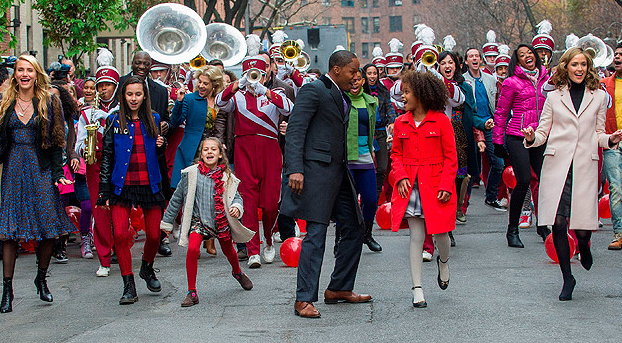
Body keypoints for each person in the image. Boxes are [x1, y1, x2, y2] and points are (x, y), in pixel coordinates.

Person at [522, 47, 621, 300]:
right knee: (558, 222)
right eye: (574, 64)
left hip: (585, 165)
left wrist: (611, 139)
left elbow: (599, 133)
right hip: (558, 164)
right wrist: (532, 137)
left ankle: (585, 244)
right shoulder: (554, 97)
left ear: (588, 68)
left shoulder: (598, 96)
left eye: (583, 65)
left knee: (583, 226)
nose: (579, 69)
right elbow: (543, 131)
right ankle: (568, 278)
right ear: (566, 67)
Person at [280, 50, 372, 318]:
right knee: (316, 235)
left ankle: (339, 288)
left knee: (355, 227)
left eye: (358, 72)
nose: (357, 76)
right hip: (315, 173)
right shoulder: (313, 90)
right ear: (336, 69)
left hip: (339, 173)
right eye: (353, 71)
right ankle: (303, 299)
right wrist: (294, 169)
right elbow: (296, 129)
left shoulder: (342, 94)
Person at [0, 55, 75, 313]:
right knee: (8, 231)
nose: (24, 74)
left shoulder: (48, 100)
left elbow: (56, 141)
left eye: (29, 70)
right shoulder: (5, 100)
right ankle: (7, 289)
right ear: (15, 74)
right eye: (20, 70)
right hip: (12, 168)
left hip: (40, 167)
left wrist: (58, 173)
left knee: (48, 228)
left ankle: (41, 279)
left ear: (36, 73)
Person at [216, 45, 293, 268]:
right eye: (250, 74)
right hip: (244, 149)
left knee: (270, 203)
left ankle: (269, 240)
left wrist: (264, 91)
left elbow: (288, 108)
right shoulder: (237, 96)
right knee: (247, 201)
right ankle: (253, 251)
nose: (254, 79)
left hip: (269, 149)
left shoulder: (276, 93)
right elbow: (221, 102)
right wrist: (237, 84)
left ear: (266, 73)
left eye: (258, 74)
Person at [97, 76, 167, 305]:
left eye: (138, 94)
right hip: (121, 184)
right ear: (123, 96)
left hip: (149, 183)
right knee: (119, 234)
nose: (133, 98)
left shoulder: (154, 119)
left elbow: (159, 156)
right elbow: (107, 155)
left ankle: (147, 267)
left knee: (155, 235)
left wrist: (162, 146)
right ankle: (128, 285)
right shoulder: (114, 119)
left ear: (144, 95)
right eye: (129, 94)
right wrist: (103, 192)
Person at [161, 138, 255, 307]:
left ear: (220, 155)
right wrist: (166, 224)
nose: (209, 152)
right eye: (206, 149)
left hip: (220, 221)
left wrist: (235, 207)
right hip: (199, 220)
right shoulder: (191, 174)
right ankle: (192, 291)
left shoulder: (227, 177)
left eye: (213, 149)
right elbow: (176, 200)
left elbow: (237, 197)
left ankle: (237, 272)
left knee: (229, 251)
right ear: (201, 154)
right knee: (192, 249)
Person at [390, 70, 457, 308]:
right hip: (412, 187)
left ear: (421, 94)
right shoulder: (400, 122)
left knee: (441, 234)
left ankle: (444, 260)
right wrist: (399, 177)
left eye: (407, 92)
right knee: (416, 236)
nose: (403, 96)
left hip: (437, 185)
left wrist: (447, 185)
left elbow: (451, 157)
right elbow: (396, 154)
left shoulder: (441, 121)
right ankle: (417, 288)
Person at [493, 44, 550, 247]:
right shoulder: (511, 82)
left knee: (545, 182)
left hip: (540, 136)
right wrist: (498, 141)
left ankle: (543, 227)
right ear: (517, 61)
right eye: (522, 55)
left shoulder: (547, 79)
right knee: (524, 180)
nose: (527, 56)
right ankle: (512, 230)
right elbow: (501, 112)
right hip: (517, 136)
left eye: (529, 53)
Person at [119, 51, 172, 257]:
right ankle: (120, 244)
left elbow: (165, 119)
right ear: (132, 63)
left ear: (151, 65)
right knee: (122, 201)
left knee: (157, 198)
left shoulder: (160, 90)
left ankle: (159, 239)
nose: (141, 66)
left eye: (145, 63)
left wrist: (165, 126)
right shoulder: (122, 84)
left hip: (151, 153)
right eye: (138, 62)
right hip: (126, 153)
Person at [170, 65, 225, 256]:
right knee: (194, 194)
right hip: (193, 150)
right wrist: (178, 102)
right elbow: (175, 121)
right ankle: (196, 235)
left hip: (215, 150)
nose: (201, 86)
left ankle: (210, 238)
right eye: (199, 82)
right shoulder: (191, 99)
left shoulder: (220, 100)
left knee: (214, 192)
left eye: (205, 83)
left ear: (214, 84)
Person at [75, 62, 119, 277]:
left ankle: (120, 248)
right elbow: (78, 143)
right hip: (96, 166)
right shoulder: (87, 114)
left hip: (120, 166)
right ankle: (104, 258)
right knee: (99, 210)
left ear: (116, 86)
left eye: (108, 85)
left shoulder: (123, 111)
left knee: (120, 211)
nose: (103, 89)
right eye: (100, 85)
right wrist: (85, 148)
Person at [338, 68, 381, 252]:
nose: (354, 83)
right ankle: (341, 239)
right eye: (352, 80)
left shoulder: (371, 101)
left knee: (371, 199)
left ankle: (366, 234)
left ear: (363, 81)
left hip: (365, 156)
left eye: (358, 80)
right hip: (346, 158)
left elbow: (373, 127)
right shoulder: (340, 101)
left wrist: (372, 149)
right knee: (347, 202)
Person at [463, 48, 503, 211]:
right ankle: (464, 203)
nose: (474, 58)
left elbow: (497, 101)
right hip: (469, 124)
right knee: (470, 167)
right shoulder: (463, 81)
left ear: (481, 60)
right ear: (466, 61)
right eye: (470, 56)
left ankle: (491, 196)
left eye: (477, 56)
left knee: (498, 163)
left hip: (489, 124)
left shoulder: (490, 80)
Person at [362, 63, 395, 202]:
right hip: (366, 132)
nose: (372, 76)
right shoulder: (361, 92)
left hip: (381, 132)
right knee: (366, 166)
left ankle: (375, 197)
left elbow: (389, 107)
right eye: (369, 73)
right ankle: (364, 198)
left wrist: (392, 121)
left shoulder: (383, 90)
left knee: (382, 167)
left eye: (374, 73)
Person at [601, 42, 622, 250]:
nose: (618, 57)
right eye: (616, 54)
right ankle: (619, 233)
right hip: (612, 142)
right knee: (616, 188)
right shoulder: (604, 83)